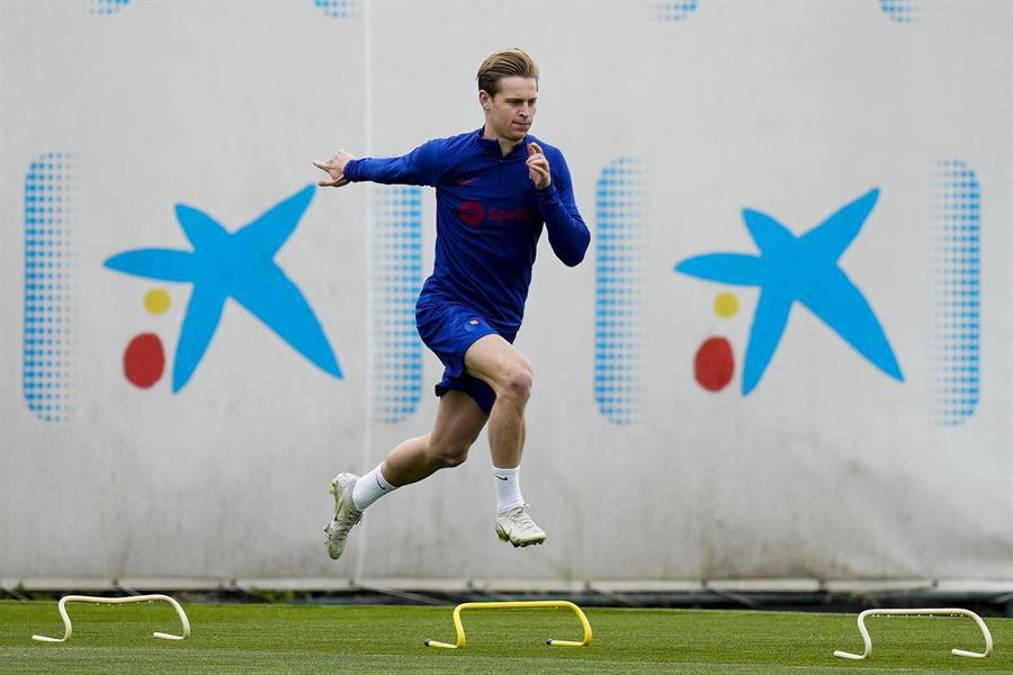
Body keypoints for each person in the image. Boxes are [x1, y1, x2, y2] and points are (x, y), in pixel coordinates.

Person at [313, 48, 589, 560]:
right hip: (445, 307)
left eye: (532, 101)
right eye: (514, 102)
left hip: (496, 326)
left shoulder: (546, 164)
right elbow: (398, 167)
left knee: (446, 450)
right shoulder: (451, 157)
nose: (525, 112)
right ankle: (510, 506)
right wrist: (350, 167)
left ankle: (356, 494)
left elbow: (574, 251)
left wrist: (547, 193)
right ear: (486, 101)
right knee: (517, 378)